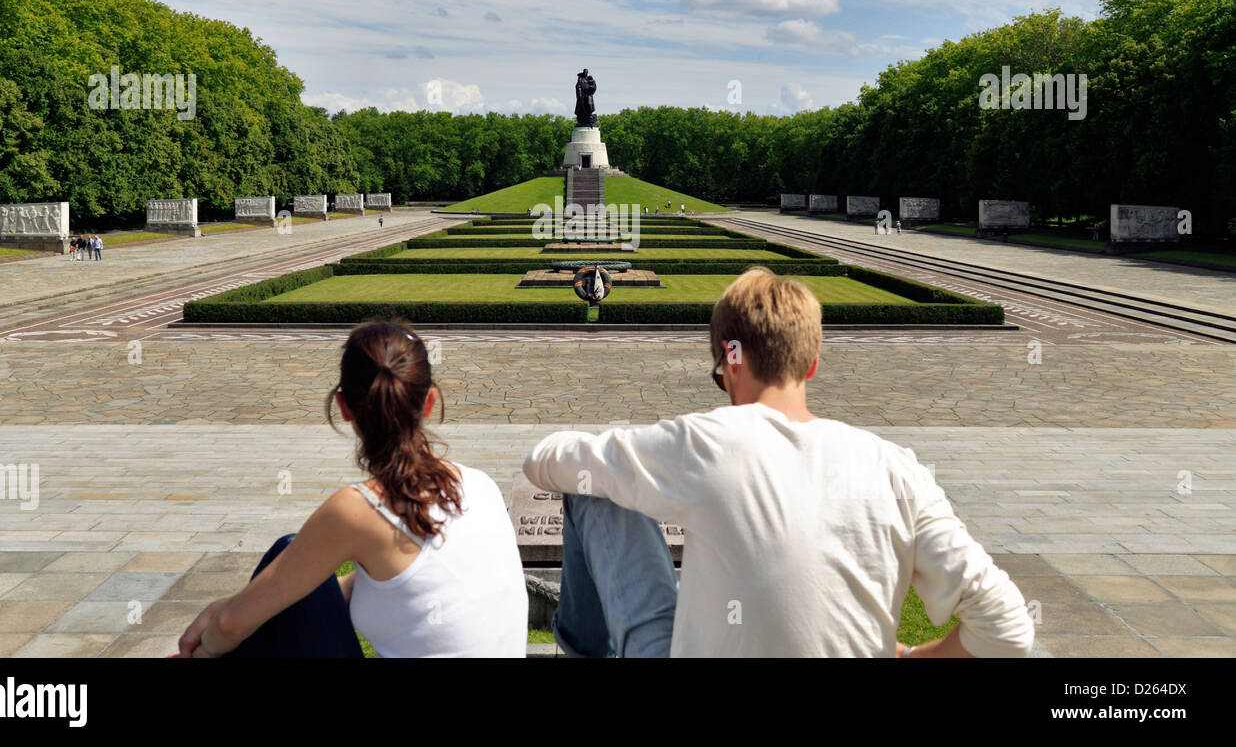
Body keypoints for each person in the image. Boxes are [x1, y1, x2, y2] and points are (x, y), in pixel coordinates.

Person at [523, 267, 1034, 658]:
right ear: (812, 363)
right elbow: (1009, 626)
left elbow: (543, 460)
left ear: (731, 361)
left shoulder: (706, 442)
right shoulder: (897, 468)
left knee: (593, 488)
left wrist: (619, 462)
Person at [180, 320, 527, 658]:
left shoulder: (356, 511)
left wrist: (205, 646)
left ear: (344, 407)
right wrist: (233, 607)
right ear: (429, 402)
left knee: (285, 551)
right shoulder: (481, 485)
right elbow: (404, 587)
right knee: (281, 589)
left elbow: (228, 627)